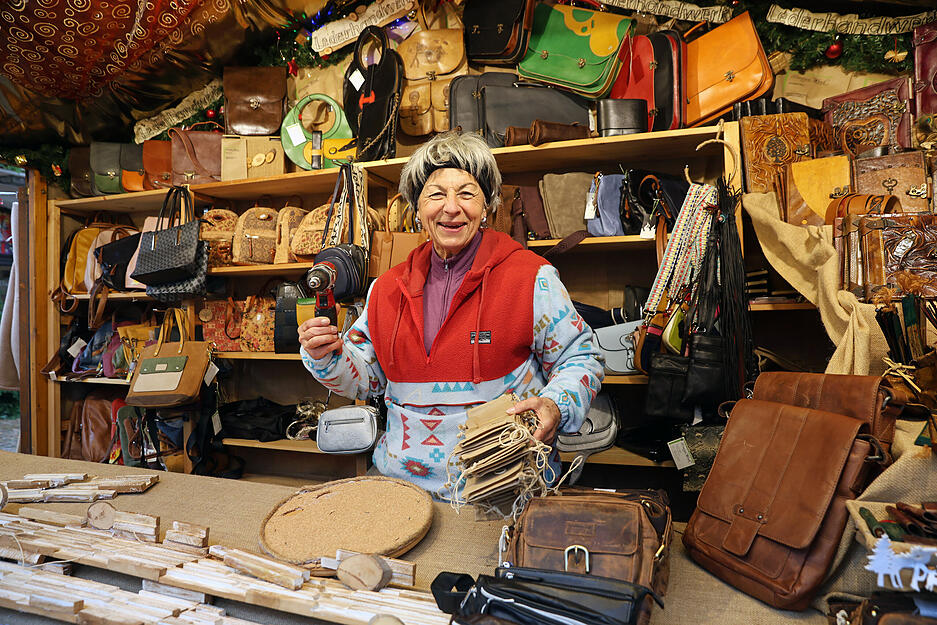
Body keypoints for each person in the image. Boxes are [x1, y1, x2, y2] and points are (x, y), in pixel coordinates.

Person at [299, 131, 604, 496]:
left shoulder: (532, 277)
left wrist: (557, 405)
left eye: (466, 193)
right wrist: (325, 356)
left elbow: (582, 358)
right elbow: (367, 381)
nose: (451, 207)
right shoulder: (385, 289)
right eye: (436, 194)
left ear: (487, 206)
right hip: (402, 489)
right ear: (417, 208)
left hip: (503, 486)